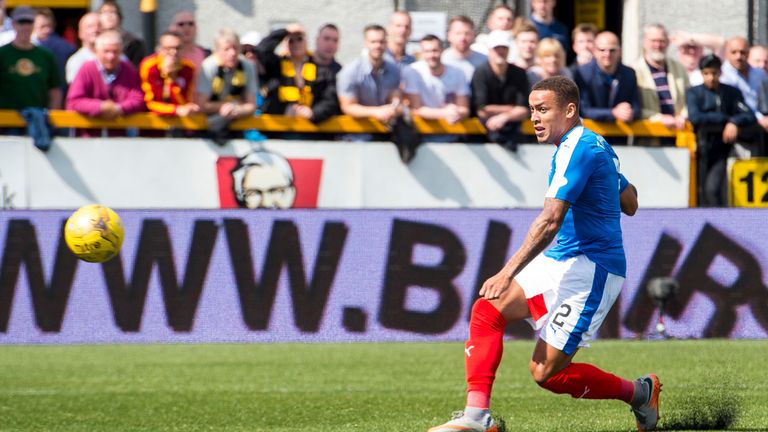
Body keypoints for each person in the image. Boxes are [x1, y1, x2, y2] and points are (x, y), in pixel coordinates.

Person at [428, 76, 658, 432]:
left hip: (592, 270)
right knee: (487, 310)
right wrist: (610, 177)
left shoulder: (577, 149)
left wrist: (506, 272)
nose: (534, 117)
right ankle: (477, 417)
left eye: (543, 109)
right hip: (561, 260)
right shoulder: (593, 145)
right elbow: (631, 203)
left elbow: (551, 220)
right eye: (532, 109)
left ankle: (640, 393)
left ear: (569, 110)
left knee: (546, 373)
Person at [686, 54, 757, 206]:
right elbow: (695, 117)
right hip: (700, 148)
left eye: (714, 73)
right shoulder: (694, 92)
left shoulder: (730, 93)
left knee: (712, 189)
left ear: (720, 73)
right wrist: (725, 119)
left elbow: (749, 115)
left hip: (721, 149)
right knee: (699, 192)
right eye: (706, 73)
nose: (711, 77)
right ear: (701, 73)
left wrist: (734, 122)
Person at [66, 30, 145, 137]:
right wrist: (101, 107)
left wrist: (119, 108)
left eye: (115, 51)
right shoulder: (87, 69)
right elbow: (74, 102)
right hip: (89, 138)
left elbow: (138, 99)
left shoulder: (128, 68)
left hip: (121, 139)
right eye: (106, 51)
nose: (111, 56)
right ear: (96, 51)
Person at [256, 24, 339, 124]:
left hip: (311, 129)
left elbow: (330, 100)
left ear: (306, 42)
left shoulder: (321, 70)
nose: (295, 43)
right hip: (279, 128)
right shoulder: (276, 66)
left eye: (299, 39)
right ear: (286, 44)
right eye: (291, 40)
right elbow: (261, 50)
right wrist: (285, 31)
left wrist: (313, 113)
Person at [195, 29, 258, 144]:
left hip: (238, 126)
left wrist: (236, 109)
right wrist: (227, 106)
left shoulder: (247, 66)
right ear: (216, 51)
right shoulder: (208, 67)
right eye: (227, 49)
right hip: (207, 127)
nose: (232, 53)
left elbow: (251, 105)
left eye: (236, 48)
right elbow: (201, 105)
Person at [470, 30, 529, 150]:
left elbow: (524, 110)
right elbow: (481, 109)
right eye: (496, 48)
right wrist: (512, 110)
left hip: (515, 135)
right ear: (489, 50)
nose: (500, 51)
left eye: (504, 48)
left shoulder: (519, 73)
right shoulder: (480, 73)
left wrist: (503, 117)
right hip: (483, 138)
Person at [406, 34, 470, 142]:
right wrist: (445, 113)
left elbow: (464, 109)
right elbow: (415, 109)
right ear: (421, 53)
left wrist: (457, 113)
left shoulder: (458, 73)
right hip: (421, 136)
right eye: (427, 51)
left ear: (442, 51)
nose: (432, 55)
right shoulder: (413, 71)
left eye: (435, 50)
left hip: (452, 136)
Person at [337, 24, 402, 129]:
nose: (378, 46)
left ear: (386, 43)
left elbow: (395, 97)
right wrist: (376, 112)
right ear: (366, 43)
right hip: (359, 131)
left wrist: (394, 107)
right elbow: (347, 107)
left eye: (381, 42)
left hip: (388, 128)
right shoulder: (350, 71)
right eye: (373, 42)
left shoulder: (393, 69)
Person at [0, 6, 61, 111]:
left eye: (29, 22)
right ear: (13, 24)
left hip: (38, 119)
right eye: (21, 22)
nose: (26, 26)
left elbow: (55, 90)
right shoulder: (2, 54)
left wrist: (51, 116)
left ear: (34, 25)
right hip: (6, 120)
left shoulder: (45, 55)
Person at [574, 31, 641, 125]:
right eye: (602, 50)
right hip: (591, 135)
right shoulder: (582, 73)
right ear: (594, 51)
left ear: (619, 51)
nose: (607, 54)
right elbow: (583, 110)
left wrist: (629, 112)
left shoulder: (629, 73)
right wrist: (613, 113)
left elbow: (637, 108)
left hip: (620, 136)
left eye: (612, 50)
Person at [634, 24, 689, 133]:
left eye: (662, 41)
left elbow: (689, 99)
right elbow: (635, 109)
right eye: (653, 41)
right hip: (649, 137)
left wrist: (683, 116)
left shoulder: (679, 68)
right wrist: (659, 118)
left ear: (668, 43)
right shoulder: (634, 70)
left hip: (678, 134)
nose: (658, 45)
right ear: (645, 43)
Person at [139, 31, 199, 117]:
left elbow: (185, 103)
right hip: (152, 122)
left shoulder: (189, 68)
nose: (173, 52)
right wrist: (175, 110)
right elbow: (149, 103)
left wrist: (172, 79)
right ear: (160, 50)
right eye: (168, 48)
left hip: (180, 123)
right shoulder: (149, 66)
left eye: (177, 48)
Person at [720, 37, 766, 118]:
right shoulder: (723, 75)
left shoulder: (760, 73)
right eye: (734, 52)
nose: (738, 56)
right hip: (739, 121)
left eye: (742, 52)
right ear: (727, 54)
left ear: (748, 53)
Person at [32, 7, 76, 87]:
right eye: (42, 26)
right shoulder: (24, 47)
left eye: (49, 26)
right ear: (32, 26)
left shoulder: (65, 48)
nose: (47, 30)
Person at [97, 0, 146, 67]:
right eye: (105, 12)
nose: (109, 16)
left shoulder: (132, 43)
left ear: (119, 17)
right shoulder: (95, 40)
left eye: (113, 12)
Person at [441, 15, 487, 83]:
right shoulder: (441, 60)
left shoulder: (484, 61)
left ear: (473, 35)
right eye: (458, 33)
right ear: (449, 35)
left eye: (467, 33)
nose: (463, 38)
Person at [65, 12, 100, 84]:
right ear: (80, 33)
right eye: (90, 26)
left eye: (99, 25)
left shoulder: (117, 57)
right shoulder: (76, 61)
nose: (96, 29)